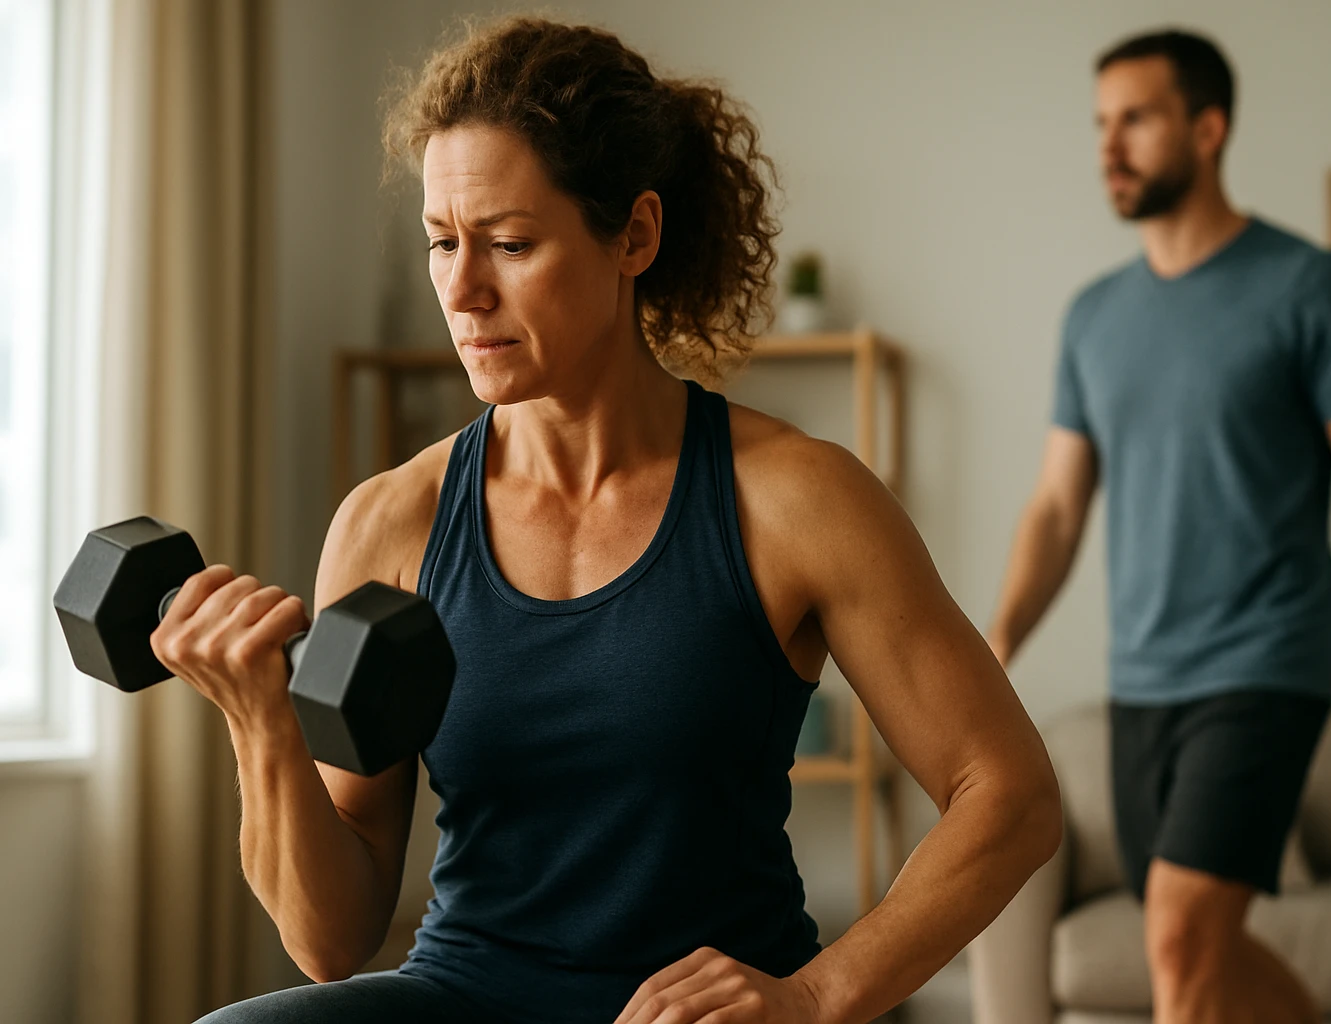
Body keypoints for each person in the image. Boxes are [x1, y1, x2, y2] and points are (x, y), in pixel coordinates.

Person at [156, 16, 1061, 1024]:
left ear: (634, 235)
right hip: (466, 995)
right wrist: (260, 724)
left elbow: (1010, 792)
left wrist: (813, 995)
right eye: (442, 242)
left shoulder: (796, 499)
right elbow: (329, 940)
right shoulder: (391, 524)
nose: (463, 290)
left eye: (510, 244)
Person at [984, 29, 1331, 1024]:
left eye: (1136, 119)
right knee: (1193, 944)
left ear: (1209, 128)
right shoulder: (1093, 317)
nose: (1109, 146)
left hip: (1266, 664)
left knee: (1181, 940)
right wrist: (998, 640)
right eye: (1101, 124)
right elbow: (1057, 506)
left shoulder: (1310, 287)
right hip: (1143, 681)